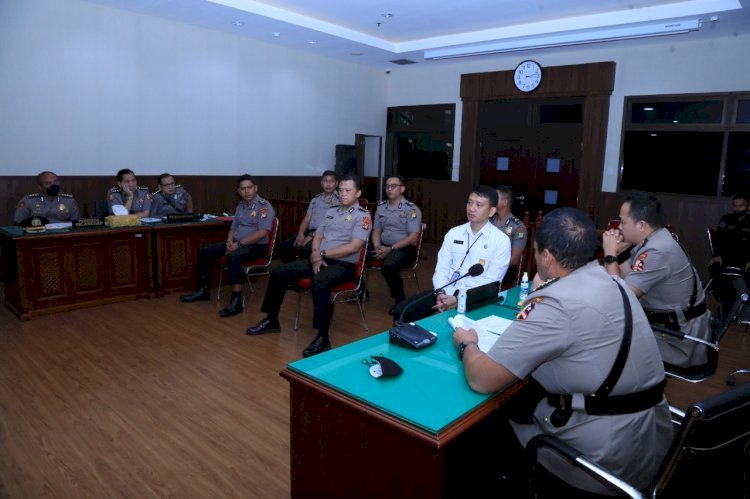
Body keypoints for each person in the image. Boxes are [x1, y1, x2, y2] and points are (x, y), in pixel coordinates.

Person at [453, 207, 672, 495]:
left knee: (471, 434)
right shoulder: (614, 282)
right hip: (649, 442)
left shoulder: (555, 304)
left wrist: (467, 342)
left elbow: (482, 379)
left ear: (546, 257)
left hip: (598, 462)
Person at [246, 175, 372, 358]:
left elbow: (354, 246)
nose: (343, 194)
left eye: (348, 190)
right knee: (279, 272)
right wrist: (315, 254)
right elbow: (318, 236)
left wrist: (321, 254)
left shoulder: (363, 216)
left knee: (319, 281)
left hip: (344, 264)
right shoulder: (331, 211)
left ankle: (323, 337)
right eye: (341, 190)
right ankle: (271, 319)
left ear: (358, 193)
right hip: (320, 257)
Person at [602, 192, 712, 368]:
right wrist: (617, 253)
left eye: (623, 222)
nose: (619, 227)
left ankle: (633, 392)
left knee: (599, 340)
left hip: (676, 340)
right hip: (671, 327)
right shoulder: (655, 238)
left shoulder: (656, 251)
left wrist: (609, 254)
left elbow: (619, 298)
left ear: (641, 225)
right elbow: (624, 276)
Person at [392, 185, 510, 322]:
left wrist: (458, 298)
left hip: (474, 299)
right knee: (402, 311)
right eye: (469, 202)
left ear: (491, 211)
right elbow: (442, 268)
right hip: (444, 293)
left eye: (479, 205)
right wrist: (441, 293)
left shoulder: (501, 241)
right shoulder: (454, 233)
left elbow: (491, 281)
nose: (471, 208)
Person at [180, 174, 275, 318]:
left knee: (234, 256)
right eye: (243, 189)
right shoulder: (241, 207)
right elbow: (233, 227)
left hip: (256, 246)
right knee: (207, 251)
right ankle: (203, 290)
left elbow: (263, 232)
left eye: (249, 188)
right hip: (236, 243)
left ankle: (236, 301)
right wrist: (229, 240)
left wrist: (239, 244)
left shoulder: (264, 206)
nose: (246, 191)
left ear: (256, 188)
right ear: (238, 191)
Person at [353, 175, 422, 313]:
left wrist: (390, 249)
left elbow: (414, 237)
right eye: (387, 186)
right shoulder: (381, 207)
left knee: (388, 266)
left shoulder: (411, 209)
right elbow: (377, 230)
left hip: (404, 248)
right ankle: (361, 291)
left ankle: (400, 300)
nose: (389, 189)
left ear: (402, 189)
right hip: (382, 245)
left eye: (393, 186)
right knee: (352, 256)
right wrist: (378, 246)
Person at [276, 170, 339, 263]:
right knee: (282, 248)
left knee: (306, 250)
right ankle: (295, 270)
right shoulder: (315, 200)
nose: (328, 184)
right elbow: (306, 219)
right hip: (309, 232)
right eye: (325, 181)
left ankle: (305, 271)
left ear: (336, 184)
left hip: (324, 236)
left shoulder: (340, 201)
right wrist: (301, 234)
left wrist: (311, 236)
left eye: (331, 181)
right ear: (321, 183)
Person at [708, 194, 750, 315]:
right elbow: (718, 240)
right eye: (735, 206)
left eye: (740, 206)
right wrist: (717, 255)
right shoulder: (726, 219)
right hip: (725, 257)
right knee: (715, 268)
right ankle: (725, 303)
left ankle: (744, 304)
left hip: (744, 259)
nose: (737, 209)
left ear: (747, 206)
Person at [14, 171, 80, 224]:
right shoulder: (28, 201)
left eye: (56, 182)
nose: (53, 185)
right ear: (40, 187)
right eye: (48, 183)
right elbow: (18, 223)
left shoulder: (69, 201)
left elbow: (76, 223)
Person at [492, 186, 527, 286]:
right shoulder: (489, 221)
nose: (491, 200)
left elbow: (514, 259)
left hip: (504, 271)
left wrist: (493, 267)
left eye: (495, 197)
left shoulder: (518, 227)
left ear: (505, 202)